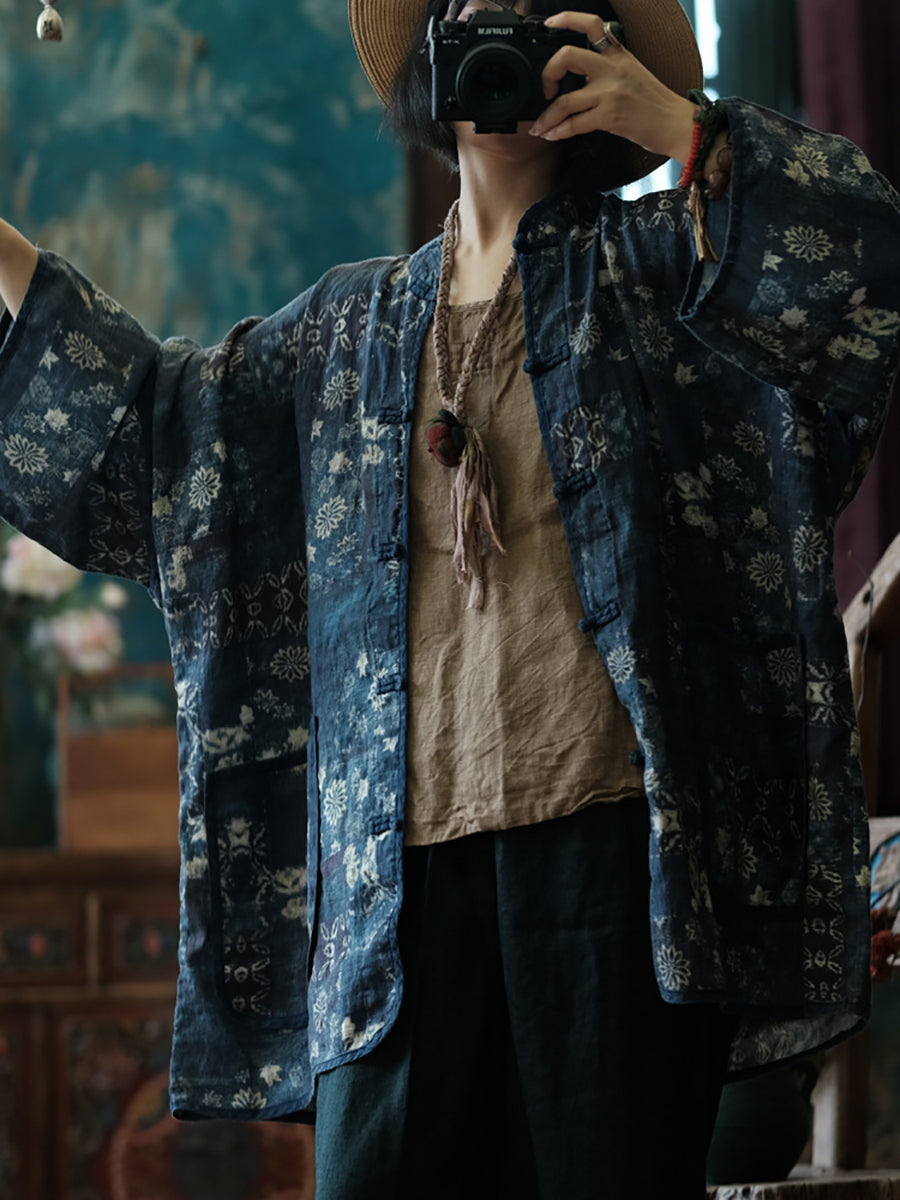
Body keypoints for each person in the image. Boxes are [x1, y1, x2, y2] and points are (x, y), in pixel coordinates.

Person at [1, 0, 899, 1195]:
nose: (503, 35)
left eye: (541, 12)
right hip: (391, 896)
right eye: (476, 10)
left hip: (613, 864)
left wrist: (687, 129)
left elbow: (865, 274)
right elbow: (158, 435)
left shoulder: (668, 273)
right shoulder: (342, 334)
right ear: (429, 50)